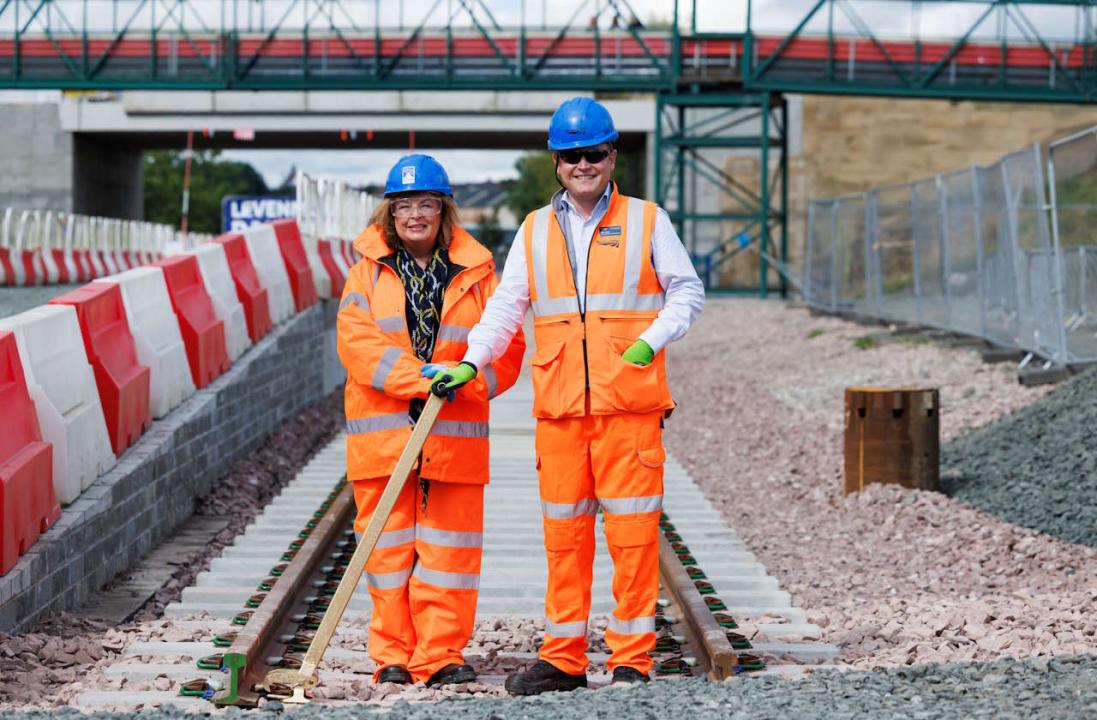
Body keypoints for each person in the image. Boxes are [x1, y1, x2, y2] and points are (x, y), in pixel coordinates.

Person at [430, 97, 705, 693]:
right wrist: (468, 362)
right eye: (572, 155)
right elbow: (506, 309)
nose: (584, 164)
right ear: (557, 162)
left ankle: (632, 657)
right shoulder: (534, 229)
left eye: (595, 153)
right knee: (565, 537)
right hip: (559, 411)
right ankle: (563, 659)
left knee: (632, 536)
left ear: (612, 157)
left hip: (628, 407)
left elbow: (687, 292)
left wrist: (651, 341)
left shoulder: (647, 221)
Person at [337, 153, 525, 687]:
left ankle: (441, 655)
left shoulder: (480, 274)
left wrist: (465, 380)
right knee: (388, 553)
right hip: (385, 440)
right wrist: (425, 379)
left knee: (449, 556)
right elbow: (357, 346)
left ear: (443, 211)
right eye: (404, 205)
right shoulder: (364, 274)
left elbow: (507, 349)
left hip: (453, 439)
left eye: (426, 204)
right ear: (389, 214)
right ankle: (392, 656)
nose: (415, 214)